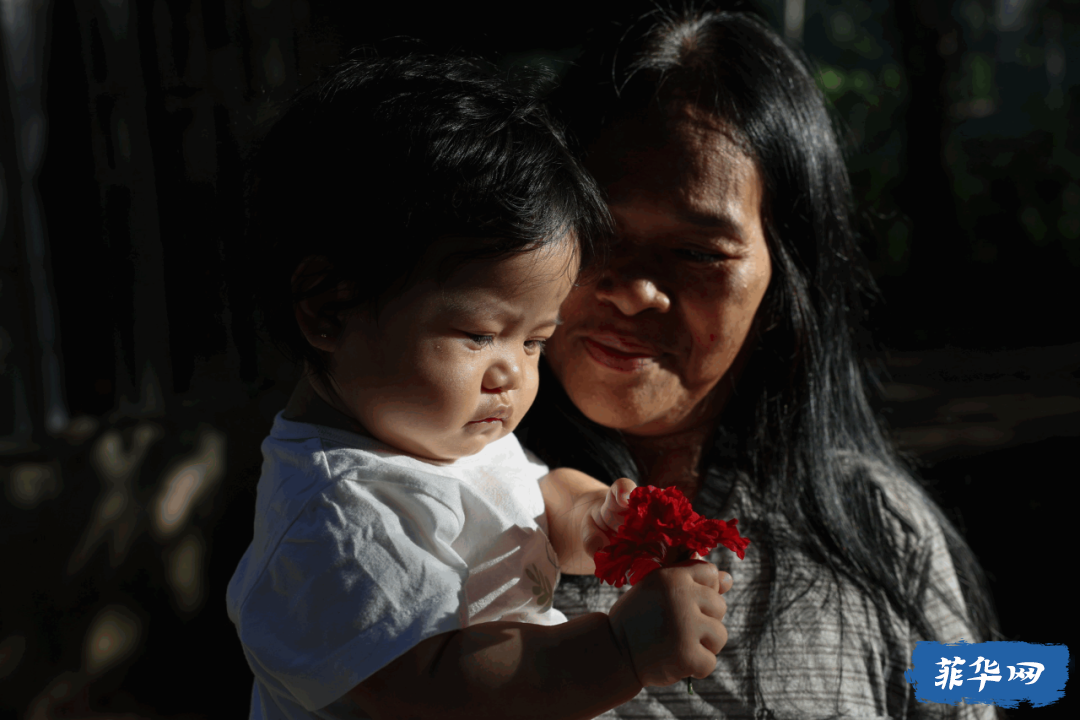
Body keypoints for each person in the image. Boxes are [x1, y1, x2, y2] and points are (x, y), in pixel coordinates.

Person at [515, 6, 1002, 719]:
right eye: (595, 229)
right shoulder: (427, 505)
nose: (631, 289)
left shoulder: (881, 530)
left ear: (784, 281)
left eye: (698, 253)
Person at [226, 51, 732, 720]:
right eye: (477, 335)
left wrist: (592, 518)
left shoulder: (436, 430)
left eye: (534, 341)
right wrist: (620, 651)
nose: (514, 374)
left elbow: (534, 498)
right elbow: (448, 691)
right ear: (329, 308)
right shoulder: (334, 524)